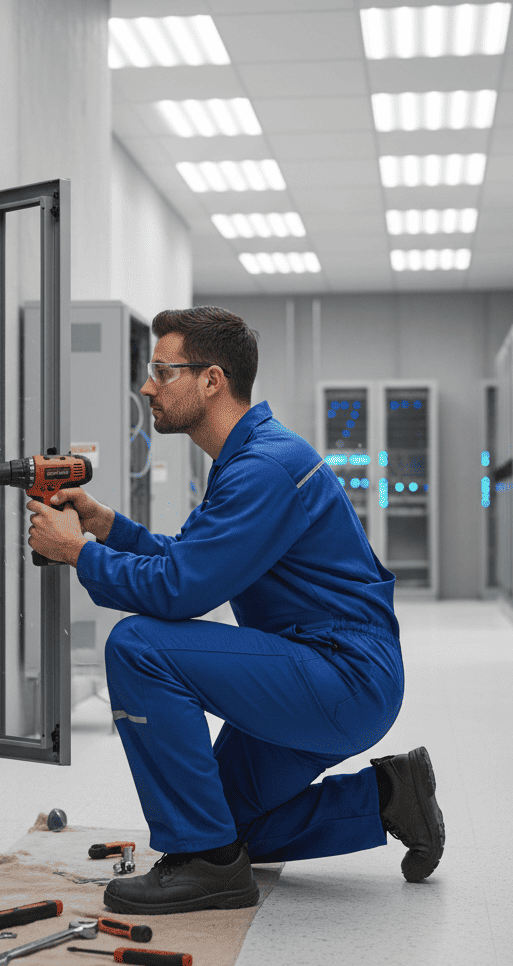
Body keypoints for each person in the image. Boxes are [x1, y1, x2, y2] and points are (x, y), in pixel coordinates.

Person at [26, 305, 444, 917]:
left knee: (138, 646)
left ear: (211, 379)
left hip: (341, 676)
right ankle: (388, 796)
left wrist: (77, 554)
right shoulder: (247, 459)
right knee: (227, 821)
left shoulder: (264, 468)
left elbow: (182, 589)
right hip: (320, 669)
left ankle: (205, 867)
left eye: (161, 372)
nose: (147, 386)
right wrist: (108, 528)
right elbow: (194, 560)